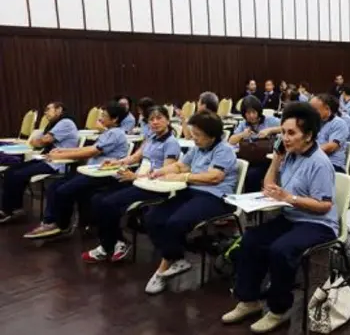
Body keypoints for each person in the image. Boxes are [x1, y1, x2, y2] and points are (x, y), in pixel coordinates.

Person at [222, 102, 339, 334]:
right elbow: (268, 186)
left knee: (281, 250)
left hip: (318, 223)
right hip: (292, 217)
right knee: (251, 240)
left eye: (291, 133)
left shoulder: (320, 163)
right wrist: (276, 159)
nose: (285, 138)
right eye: (283, 132)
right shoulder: (291, 156)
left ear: (308, 136)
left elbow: (325, 206)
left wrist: (290, 197)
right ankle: (249, 300)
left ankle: (279, 309)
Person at [143, 111, 238, 295]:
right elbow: (180, 165)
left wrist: (183, 176)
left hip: (216, 198)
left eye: (198, 136)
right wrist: (160, 172)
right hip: (192, 192)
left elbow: (214, 177)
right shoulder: (197, 149)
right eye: (193, 134)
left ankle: (164, 267)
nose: (194, 139)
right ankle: (176, 258)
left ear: (212, 136)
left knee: (176, 222)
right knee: (153, 217)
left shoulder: (224, 150)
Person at [81, 106, 181, 263]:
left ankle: (108, 246)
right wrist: (117, 162)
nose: (154, 122)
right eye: (151, 119)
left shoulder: (171, 143)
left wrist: (135, 176)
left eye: (159, 118)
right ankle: (117, 240)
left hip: (154, 186)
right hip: (139, 181)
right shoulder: (151, 139)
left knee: (108, 203)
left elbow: (166, 172)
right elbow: (135, 157)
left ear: (168, 120)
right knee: (96, 199)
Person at [23, 101, 130, 240]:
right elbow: (86, 149)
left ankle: (61, 225)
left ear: (114, 119)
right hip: (90, 171)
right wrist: (64, 150)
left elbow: (90, 152)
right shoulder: (109, 132)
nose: (100, 118)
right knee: (54, 187)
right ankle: (50, 221)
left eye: (104, 115)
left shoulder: (115, 134)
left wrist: (61, 155)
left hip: (102, 175)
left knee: (63, 190)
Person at [0, 102, 79, 224]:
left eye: (48, 109)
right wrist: (38, 141)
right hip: (45, 157)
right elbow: (38, 142)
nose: (45, 113)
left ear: (59, 110)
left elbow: (41, 142)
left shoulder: (66, 122)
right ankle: (14, 208)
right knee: (11, 171)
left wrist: (38, 141)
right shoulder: (53, 124)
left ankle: (9, 210)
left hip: (58, 162)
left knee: (17, 174)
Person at [228, 95, 281, 191]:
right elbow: (231, 141)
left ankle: (252, 197)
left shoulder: (270, 120)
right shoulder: (243, 124)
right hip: (249, 158)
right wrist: (242, 135)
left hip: (265, 159)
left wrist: (270, 130)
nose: (251, 115)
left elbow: (285, 127)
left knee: (252, 174)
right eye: (248, 113)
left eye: (253, 112)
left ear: (259, 111)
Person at [310, 94, 350, 173]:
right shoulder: (314, 122)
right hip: (315, 161)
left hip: (332, 164)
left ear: (327, 109)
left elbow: (331, 147)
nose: (311, 113)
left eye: (314, 110)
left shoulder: (339, 123)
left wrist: (307, 151)